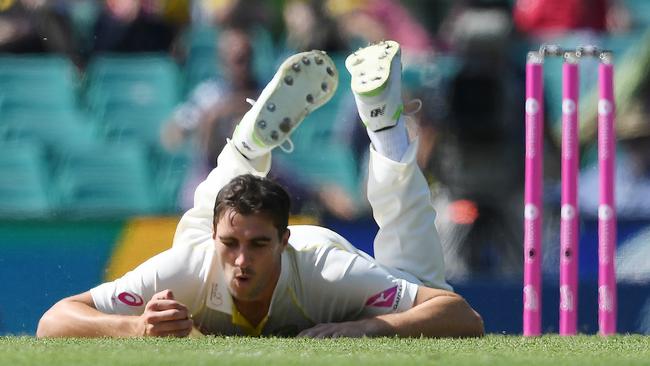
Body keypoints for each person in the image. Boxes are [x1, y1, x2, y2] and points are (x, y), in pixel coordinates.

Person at [36, 41, 484, 338]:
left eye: (257, 245)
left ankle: (383, 125)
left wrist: (372, 328)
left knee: (419, 287)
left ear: (283, 241)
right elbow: (51, 321)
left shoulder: (329, 274)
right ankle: (249, 141)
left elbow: (464, 317)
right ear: (217, 241)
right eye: (231, 245)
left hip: (313, 250)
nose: (243, 260)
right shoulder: (186, 268)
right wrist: (132, 329)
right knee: (208, 213)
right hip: (200, 240)